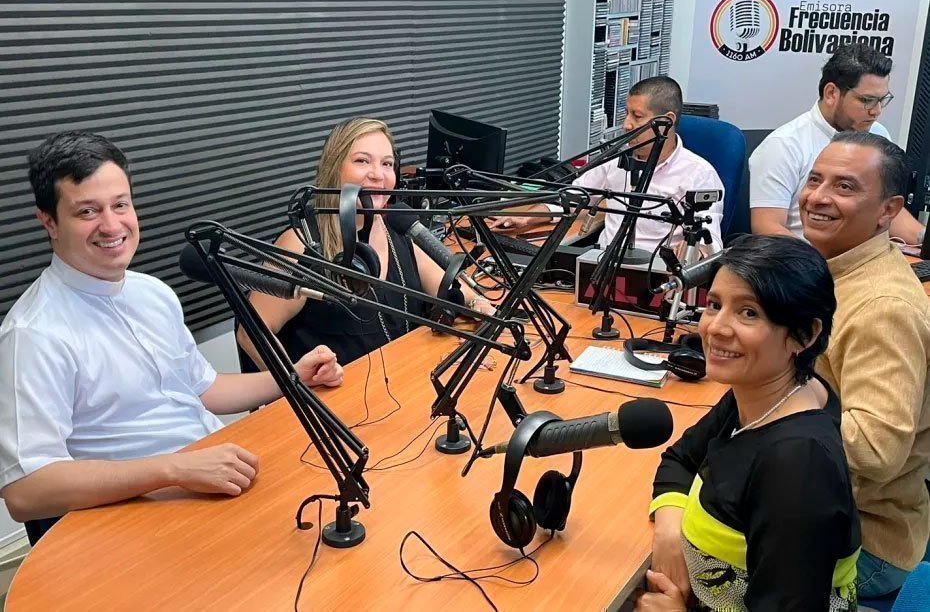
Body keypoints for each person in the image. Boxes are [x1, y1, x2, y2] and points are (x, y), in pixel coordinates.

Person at [0, 131, 344, 525]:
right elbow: (26, 492)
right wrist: (174, 468)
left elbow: (204, 390)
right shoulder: (34, 333)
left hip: (209, 482)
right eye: (87, 212)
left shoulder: (152, 294)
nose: (112, 226)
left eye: (120, 204)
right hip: (136, 515)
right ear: (49, 222)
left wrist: (292, 378)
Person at [640, 234, 859, 611]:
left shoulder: (797, 465)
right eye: (714, 305)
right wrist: (670, 529)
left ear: (804, 335)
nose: (716, 328)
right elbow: (679, 459)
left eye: (749, 313)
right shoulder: (764, 392)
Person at [238, 117, 495, 368]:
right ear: (334, 169)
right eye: (362, 161)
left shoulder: (396, 228)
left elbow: (451, 288)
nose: (378, 175)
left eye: (387, 164)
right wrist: (300, 384)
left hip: (406, 382)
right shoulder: (300, 243)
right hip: (337, 399)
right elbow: (252, 333)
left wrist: (477, 304)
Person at [802, 131, 930, 598]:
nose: (818, 197)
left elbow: (876, 451)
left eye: (845, 187)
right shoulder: (832, 271)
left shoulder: (882, 307)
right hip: (819, 511)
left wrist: (775, 412)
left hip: (866, 545)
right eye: (815, 179)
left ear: (889, 210)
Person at [489, 76, 724, 255]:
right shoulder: (615, 162)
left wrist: (688, 256)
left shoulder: (699, 175)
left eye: (637, 116)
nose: (627, 125)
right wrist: (525, 218)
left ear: (667, 121)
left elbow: (708, 245)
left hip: (655, 276)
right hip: (602, 265)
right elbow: (573, 197)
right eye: (626, 114)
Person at [750, 42, 924, 245]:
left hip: (869, 259)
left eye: (881, 100)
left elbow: (887, 211)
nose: (876, 111)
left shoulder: (877, 135)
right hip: (810, 265)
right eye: (867, 100)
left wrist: (924, 240)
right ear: (831, 93)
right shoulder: (783, 146)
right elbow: (767, 228)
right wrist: (826, 266)